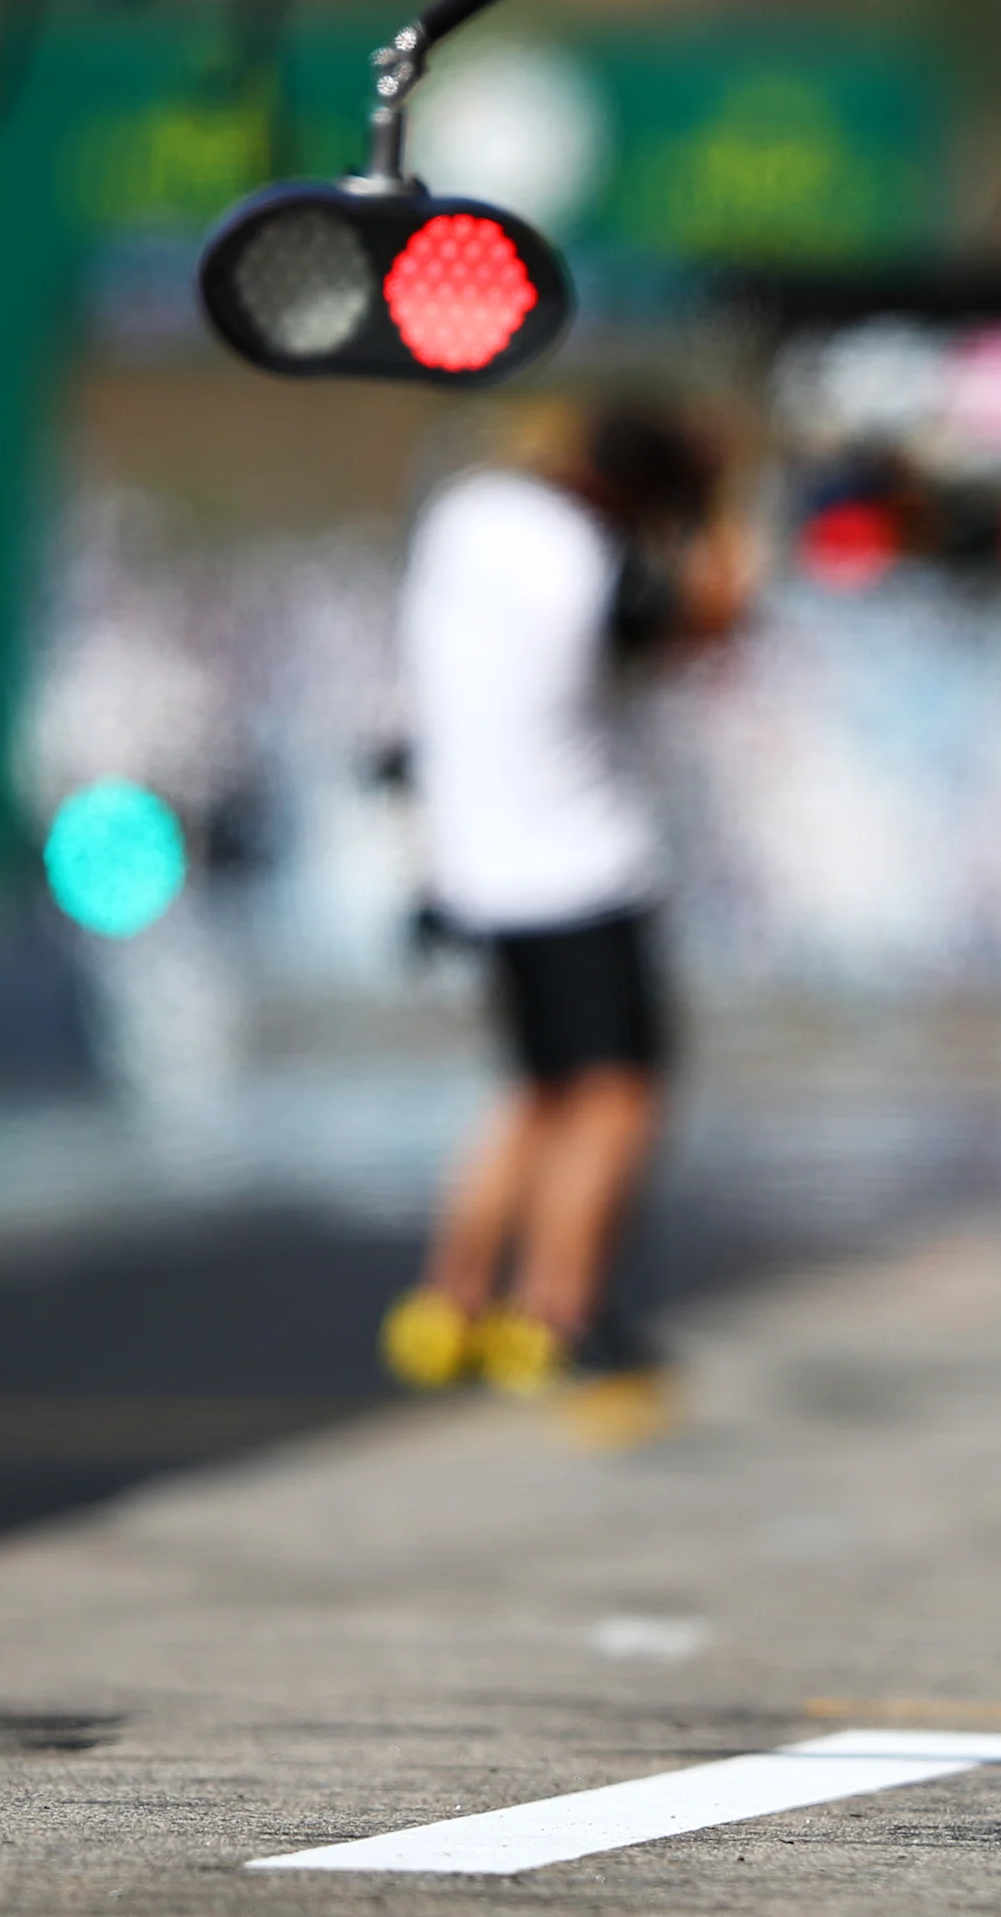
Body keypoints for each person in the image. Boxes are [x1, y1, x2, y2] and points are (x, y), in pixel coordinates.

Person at [381, 394, 744, 1398]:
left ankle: (447, 1301)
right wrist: (712, 514)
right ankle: (557, 1309)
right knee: (617, 1095)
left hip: (476, 856)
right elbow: (705, 623)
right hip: (579, 861)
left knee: (535, 1086)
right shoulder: (590, 560)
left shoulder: (466, 521)